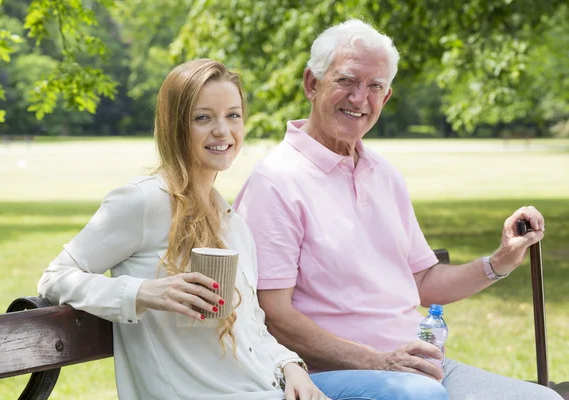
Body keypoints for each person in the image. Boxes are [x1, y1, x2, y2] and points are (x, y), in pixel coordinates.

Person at [233, 19, 562, 400]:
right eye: (347, 81)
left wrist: (501, 260)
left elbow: (424, 283)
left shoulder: (384, 174)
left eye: (375, 87)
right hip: (326, 376)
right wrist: (379, 361)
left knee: (543, 399)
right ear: (312, 83)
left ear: (385, 98)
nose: (360, 98)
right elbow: (275, 317)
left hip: (416, 367)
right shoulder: (275, 181)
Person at [38, 59, 330, 400]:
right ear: (175, 126)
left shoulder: (234, 224)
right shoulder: (145, 201)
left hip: (264, 388)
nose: (223, 130)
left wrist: (290, 366)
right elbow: (55, 277)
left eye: (233, 115)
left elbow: (252, 328)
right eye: (203, 117)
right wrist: (143, 292)